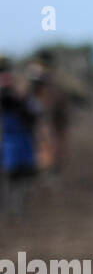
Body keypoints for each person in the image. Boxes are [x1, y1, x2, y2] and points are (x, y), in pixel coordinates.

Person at [1, 58, 40, 219]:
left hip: (24, 142)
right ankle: (6, 209)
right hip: (10, 142)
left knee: (23, 177)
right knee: (9, 176)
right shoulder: (7, 98)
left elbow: (35, 116)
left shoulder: (28, 101)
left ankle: (19, 210)